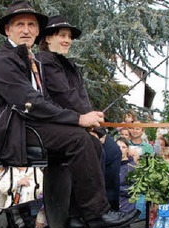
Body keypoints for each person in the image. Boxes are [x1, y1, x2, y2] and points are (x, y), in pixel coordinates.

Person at [0, 1, 137, 228]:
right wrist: (78, 119)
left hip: (29, 126)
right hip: (11, 133)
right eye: (20, 25)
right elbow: (29, 103)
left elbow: (48, 103)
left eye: (31, 24)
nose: (26, 30)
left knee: (90, 141)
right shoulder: (3, 60)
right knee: (79, 140)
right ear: (8, 30)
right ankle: (96, 215)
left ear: (38, 31)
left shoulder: (33, 61)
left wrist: (84, 123)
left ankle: (78, 218)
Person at [35, 14, 122, 211]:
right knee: (95, 149)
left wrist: (95, 123)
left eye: (69, 36)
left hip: (82, 122)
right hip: (61, 124)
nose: (67, 40)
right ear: (48, 38)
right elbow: (65, 96)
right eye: (62, 35)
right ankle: (91, 211)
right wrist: (90, 126)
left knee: (114, 152)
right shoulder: (44, 61)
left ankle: (111, 208)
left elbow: (81, 97)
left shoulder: (70, 65)